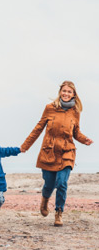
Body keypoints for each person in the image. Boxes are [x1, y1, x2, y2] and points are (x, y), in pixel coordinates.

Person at [20, 80, 93, 227]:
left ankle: (59, 212)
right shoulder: (50, 108)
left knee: (62, 183)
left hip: (67, 152)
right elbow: (38, 128)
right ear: (60, 92)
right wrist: (25, 146)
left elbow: (76, 132)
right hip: (49, 152)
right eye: (64, 91)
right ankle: (45, 199)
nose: (66, 94)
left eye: (69, 92)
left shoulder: (75, 112)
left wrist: (84, 139)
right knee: (49, 184)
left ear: (73, 95)